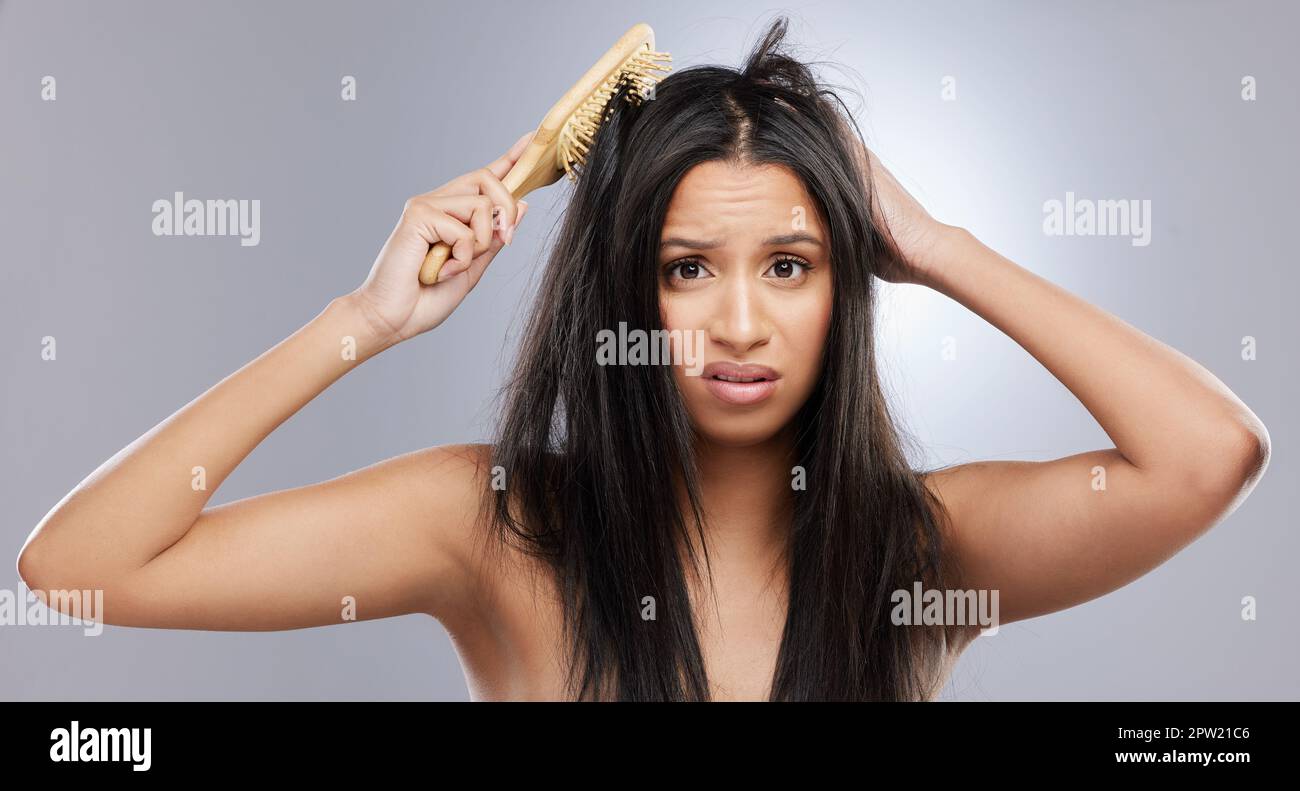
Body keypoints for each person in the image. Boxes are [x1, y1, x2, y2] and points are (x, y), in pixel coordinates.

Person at [16, 18, 1269, 701]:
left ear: (847, 283)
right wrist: (367, 319)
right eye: (685, 269)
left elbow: (1209, 455)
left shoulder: (917, 551)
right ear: (625, 287)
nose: (737, 323)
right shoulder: (494, 526)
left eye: (789, 264)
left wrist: (937, 245)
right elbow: (73, 570)